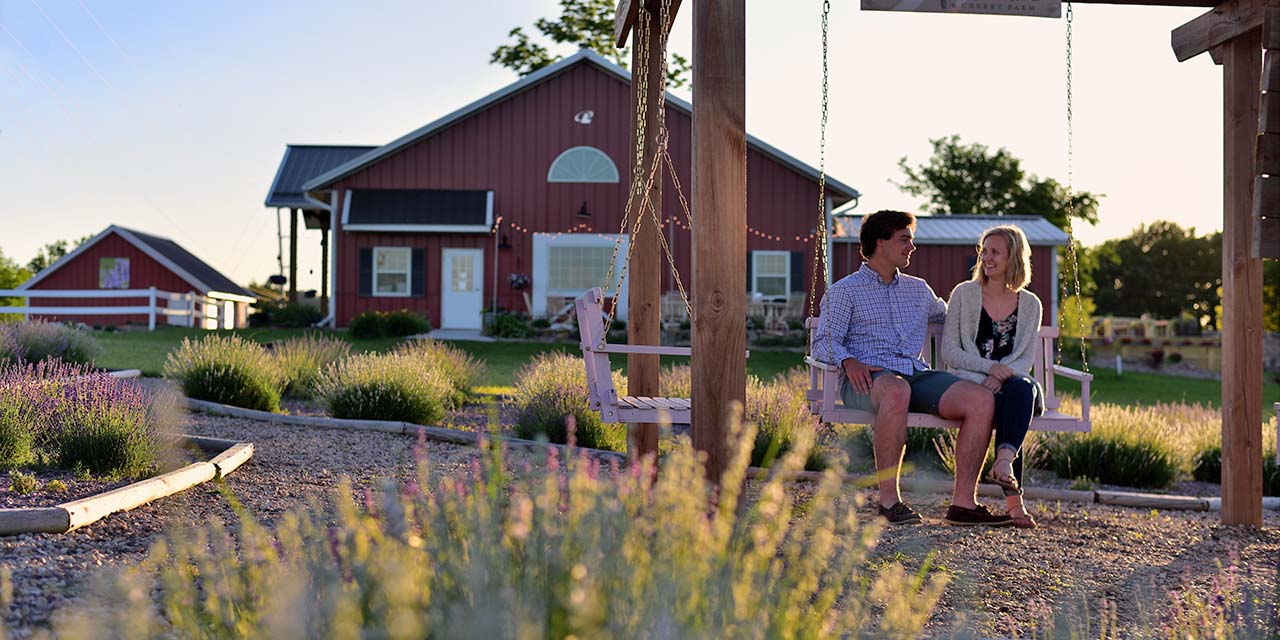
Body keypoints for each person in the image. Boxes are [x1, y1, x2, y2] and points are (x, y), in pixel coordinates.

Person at [813, 210, 1011, 527]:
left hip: (916, 375)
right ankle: (889, 501)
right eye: (904, 239)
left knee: (980, 399)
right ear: (880, 242)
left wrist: (999, 311)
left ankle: (963, 504)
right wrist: (848, 361)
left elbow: (952, 320)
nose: (911, 247)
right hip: (868, 380)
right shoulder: (845, 291)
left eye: (911, 240)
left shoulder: (919, 290)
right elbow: (822, 342)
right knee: (895, 390)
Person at [942, 225, 1045, 529]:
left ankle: (1002, 463)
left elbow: (1024, 359)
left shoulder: (1031, 304)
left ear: (1013, 257)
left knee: (1020, 391)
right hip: (972, 384)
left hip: (1012, 385)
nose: (986, 258)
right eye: (983, 251)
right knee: (1012, 406)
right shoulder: (964, 294)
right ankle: (1015, 502)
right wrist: (988, 369)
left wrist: (1002, 376)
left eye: (995, 252)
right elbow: (950, 351)